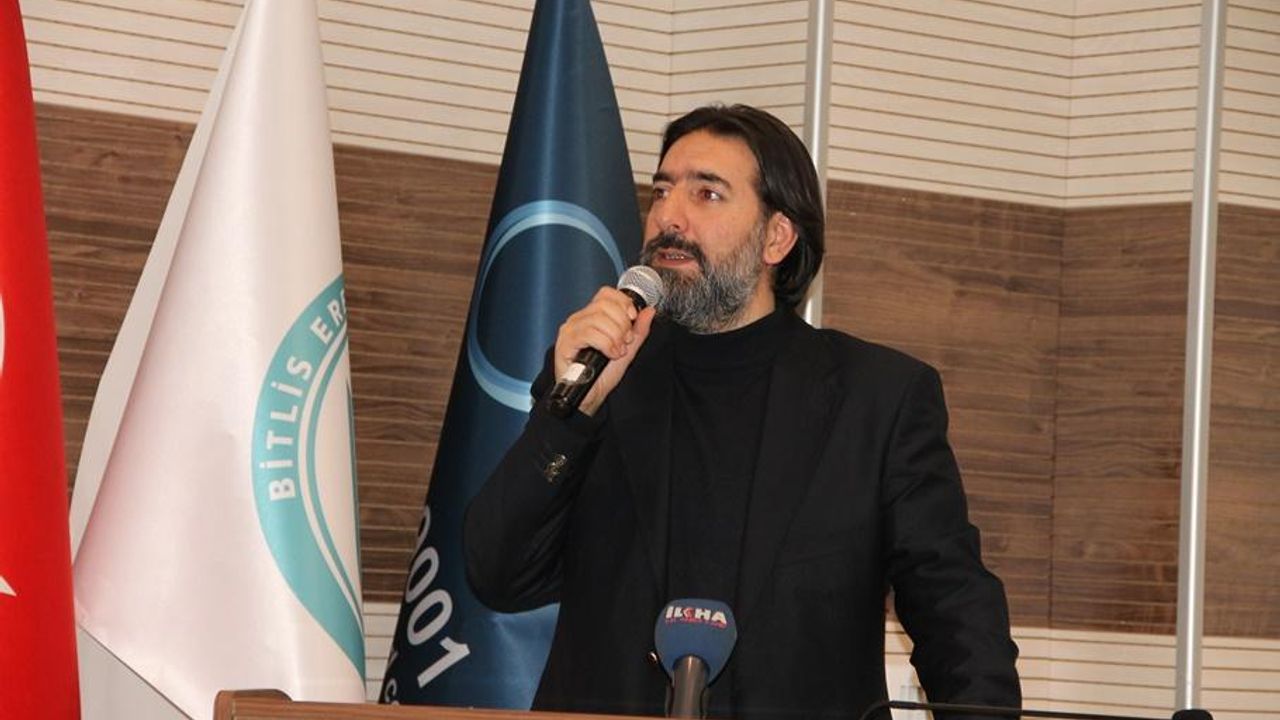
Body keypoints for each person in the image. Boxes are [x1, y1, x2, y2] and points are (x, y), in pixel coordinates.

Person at [464, 104, 1021, 720]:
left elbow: (952, 608)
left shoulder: (876, 399)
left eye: (706, 193)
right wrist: (569, 419)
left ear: (776, 237)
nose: (669, 217)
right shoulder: (603, 379)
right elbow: (498, 574)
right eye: (661, 191)